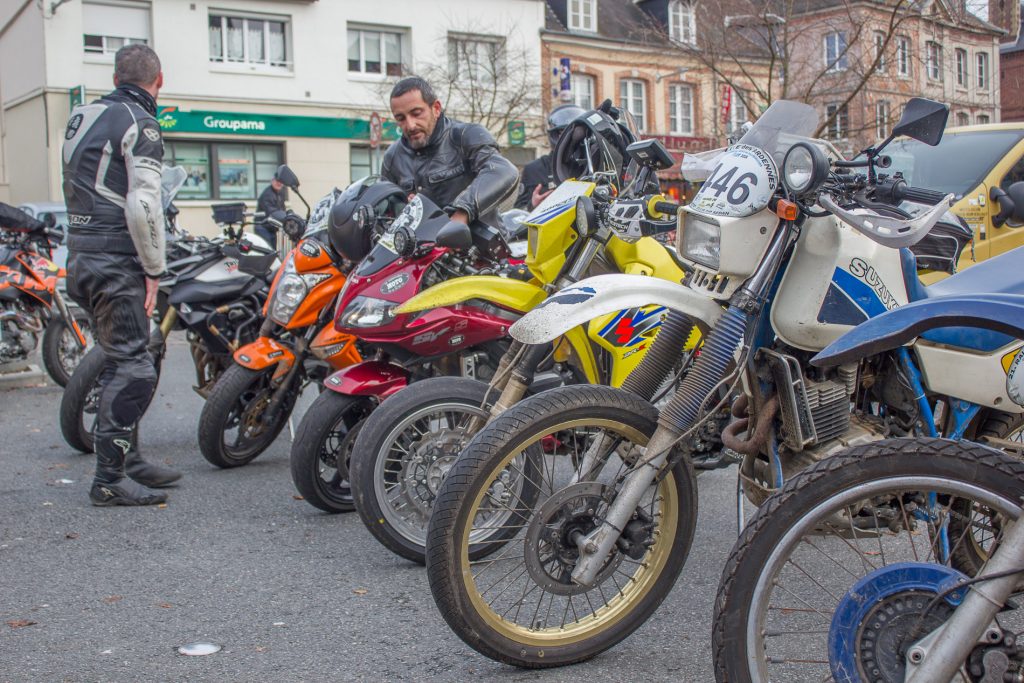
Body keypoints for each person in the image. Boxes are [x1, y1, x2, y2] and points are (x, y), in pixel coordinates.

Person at [61, 44, 180, 507]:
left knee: (120, 359)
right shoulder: (141, 122)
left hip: (81, 256)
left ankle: (128, 460)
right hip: (115, 259)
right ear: (159, 81)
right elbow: (144, 203)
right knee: (134, 367)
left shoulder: (81, 117)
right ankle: (109, 477)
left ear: (115, 77)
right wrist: (153, 269)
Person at [381, 77, 518, 228]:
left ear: (436, 108)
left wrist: (463, 212)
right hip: (425, 249)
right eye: (401, 118)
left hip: (482, 248)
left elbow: (502, 171)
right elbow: (386, 210)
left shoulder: (465, 135)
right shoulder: (392, 158)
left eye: (416, 113)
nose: (410, 125)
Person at [514, 104, 585, 210]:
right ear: (554, 135)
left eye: (575, 133)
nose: (570, 138)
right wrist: (532, 206)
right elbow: (518, 213)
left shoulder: (592, 165)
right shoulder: (534, 169)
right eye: (563, 133)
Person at [256, 174, 286, 246]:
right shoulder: (267, 194)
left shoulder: (280, 193)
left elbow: (282, 209)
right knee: (267, 248)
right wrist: (285, 217)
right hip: (263, 226)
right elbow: (272, 212)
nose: (279, 183)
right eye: (277, 181)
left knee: (276, 247)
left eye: (281, 181)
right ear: (272, 181)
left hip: (273, 227)